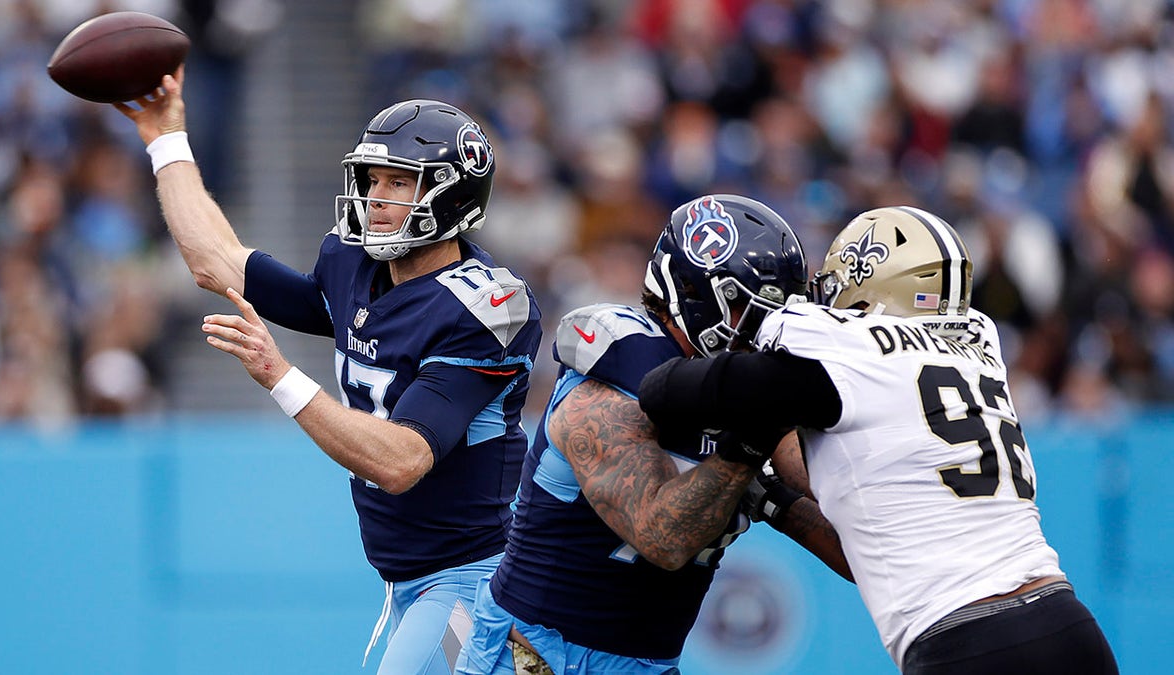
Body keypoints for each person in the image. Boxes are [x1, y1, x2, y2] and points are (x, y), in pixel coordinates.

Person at [114, 71, 543, 674]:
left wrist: (280, 375)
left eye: (400, 182)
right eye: (373, 180)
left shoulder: (485, 308)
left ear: (451, 194)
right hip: (409, 576)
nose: (377, 198)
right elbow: (215, 260)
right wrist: (166, 137)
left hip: (474, 574)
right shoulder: (351, 264)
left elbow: (401, 461)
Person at [638, 206, 1119, 675]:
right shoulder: (980, 347)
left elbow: (664, 391)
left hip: (967, 641)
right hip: (1068, 623)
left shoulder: (848, 362)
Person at [456, 194, 851, 675]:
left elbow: (851, 534)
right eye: (754, 313)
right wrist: (749, 447)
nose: (769, 332)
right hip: (538, 657)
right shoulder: (614, 373)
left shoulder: (746, 392)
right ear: (694, 291)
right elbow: (661, 536)